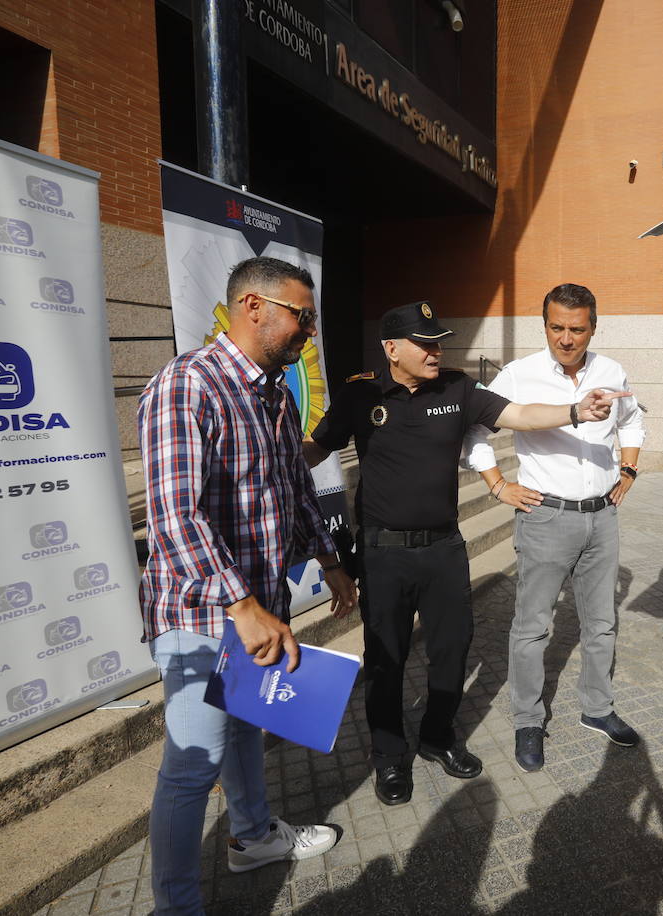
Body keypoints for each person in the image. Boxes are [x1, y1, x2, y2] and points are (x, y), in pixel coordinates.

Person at [305, 300, 628, 806]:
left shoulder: (457, 389)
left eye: (439, 342)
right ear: (392, 348)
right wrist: (269, 447)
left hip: (444, 550)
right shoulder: (360, 394)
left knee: (451, 652)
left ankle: (437, 738)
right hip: (382, 554)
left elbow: (519, 415)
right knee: (386, 660)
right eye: (425, 343)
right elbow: (315, 449)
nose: (437, 351)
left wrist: (574, 411)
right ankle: (389, 757)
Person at [139, 257, 358, 914]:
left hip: (255, 605)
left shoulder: (275, 394)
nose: (310, 332)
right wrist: (240, 604)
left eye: (311, 318)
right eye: (303, 316)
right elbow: (176, 515)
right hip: (200, 612)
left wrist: (332, 558)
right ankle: (176, 906)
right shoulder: (188, 385)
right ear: (254, 306)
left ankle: (254, 836)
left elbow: (294, 489)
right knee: (193, 762)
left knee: (244, 730)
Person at [462, 283, 645, 773]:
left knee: (602, 622)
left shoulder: (611, 371)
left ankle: (597, 708)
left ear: (593, 326)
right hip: (545, 517)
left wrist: (627, 470)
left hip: (602, 516)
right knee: (533, 627)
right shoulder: (518, 375)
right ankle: (527, 719)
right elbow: (475, 434)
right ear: (544, 325)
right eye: (557, 327)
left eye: (577, 329)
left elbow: (632, 422)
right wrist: (499, 486)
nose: (566, 338)